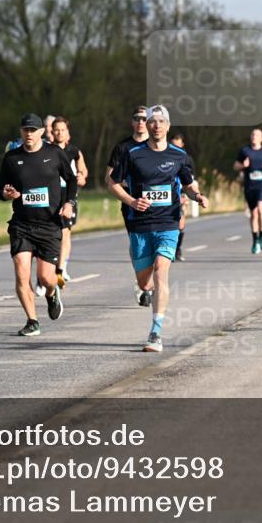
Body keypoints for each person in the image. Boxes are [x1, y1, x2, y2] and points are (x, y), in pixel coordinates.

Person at [108, 105, 208, 352]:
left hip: (168, 222)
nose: (156, 125)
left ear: (168, 125)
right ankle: (142, 285)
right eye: (152, 121)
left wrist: (198, 196)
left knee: (161, 271)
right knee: (145, 282)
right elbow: (112, 182)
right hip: (140, 223)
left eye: (161, 121)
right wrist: (132, 201)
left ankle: (156, 332)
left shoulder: (179, 155)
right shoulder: (132, 153)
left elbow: (188, 184)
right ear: (148, 125)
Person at [0, 113, 76, 337]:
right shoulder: (12, 158)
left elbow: (71, 180)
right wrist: (6, 193)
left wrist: (69, 202)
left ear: (42, 132)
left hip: (49, 225)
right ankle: (32, 320)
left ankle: (52, 293)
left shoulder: (54, 153)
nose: (29, 134)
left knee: (45, 278)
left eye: (33, 130)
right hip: (22, 225)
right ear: (21, 132)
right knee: (21, 272)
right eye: (25, 130)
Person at [105, 106, 152, 305]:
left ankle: (150, 283)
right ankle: (141, 283)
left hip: (159, 206)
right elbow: (108, 178)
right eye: (137, 118)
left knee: (158, 246)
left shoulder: (158, 145)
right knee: (138, 245)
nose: (141, 122)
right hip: (132, 205)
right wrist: (129, 187)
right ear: (132, 122)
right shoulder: (123, 147)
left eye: (144, 118)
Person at [51, 116, 87, 286]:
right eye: (56, 129)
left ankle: (60, 268)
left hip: (68, 197)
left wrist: (80, 178)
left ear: (68, 133)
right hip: (51, 196)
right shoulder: (46, 151)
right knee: (52, 234)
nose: (60, 132)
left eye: (63, 130)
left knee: (65, 232)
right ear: (52, 132)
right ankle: (48, 268)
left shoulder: (74, 151)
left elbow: (83, 173)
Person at [234, 129, 262, 254]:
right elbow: (235, 166)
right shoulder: (245, 150)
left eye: (256, 135)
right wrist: (243, 166)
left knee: (261, 208)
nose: (254, 137)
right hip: (250, 186)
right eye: (252, 134)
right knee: (254, 214)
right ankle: (255, 240)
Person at [169, 133, 195, 262]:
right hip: (167, 194)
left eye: (178, 145)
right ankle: (169, 249)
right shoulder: (164, 155)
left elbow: (190, 180)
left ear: (182, 145)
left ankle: (177, 249)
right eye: (173, 144)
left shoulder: (186, 158)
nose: (175, 147)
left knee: (180, 224)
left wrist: (186, 196)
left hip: (180, 194)